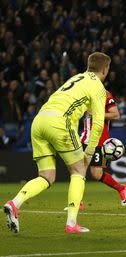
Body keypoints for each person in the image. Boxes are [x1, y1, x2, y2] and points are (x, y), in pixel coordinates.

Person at [3, 52, 110, 233]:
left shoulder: (76, 77)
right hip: (60, 122)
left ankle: (14, 203)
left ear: (89, 65)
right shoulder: (98, 87)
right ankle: (71, 223)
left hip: (39, 121)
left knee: (47, 176)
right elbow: (98, 122)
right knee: (79, 170)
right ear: (105, 69)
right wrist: (90, 151)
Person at [78, 90, 126, 207]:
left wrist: (96, 114)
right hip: (84, 139)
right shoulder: (83, 93)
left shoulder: (104, 94)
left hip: (99, 141)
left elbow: (116, 115)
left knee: (96, 174)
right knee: (78, 170)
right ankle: (77, 202)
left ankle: (121, 188)